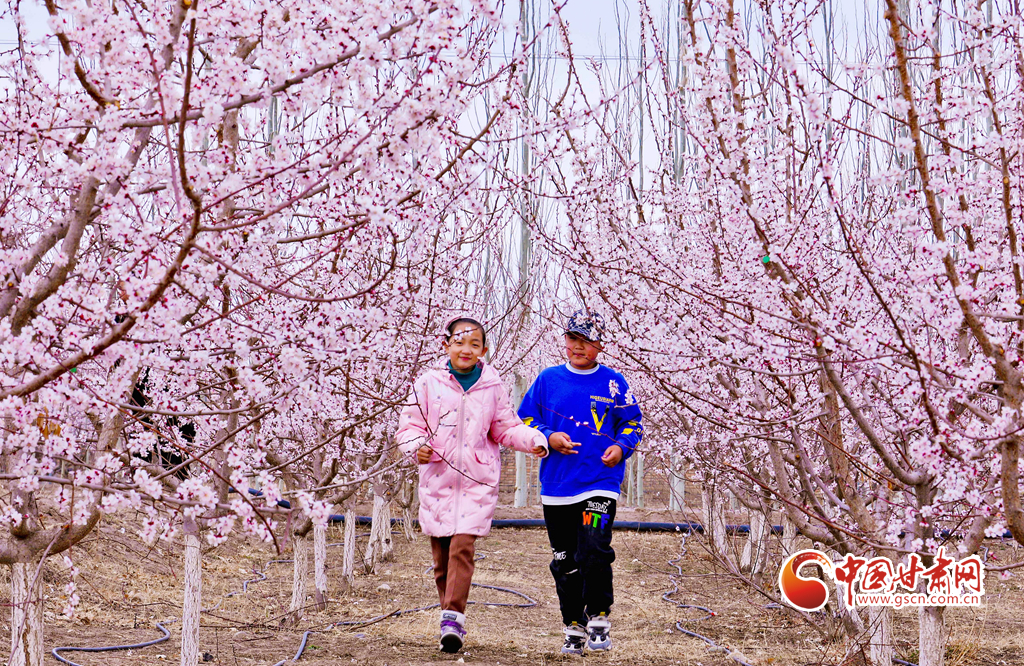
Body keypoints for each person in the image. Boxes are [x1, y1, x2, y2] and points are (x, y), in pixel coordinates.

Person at [396, 316, 548, 654]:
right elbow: (409, 427)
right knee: (442, 561)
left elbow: (506, 427)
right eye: (459, 342)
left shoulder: (492, 386)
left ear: (484, 350)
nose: (466, 349)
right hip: (438, 479)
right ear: (446, 345)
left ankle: (452, 620)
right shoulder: (428, 384)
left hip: (477, 481)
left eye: (474, 344)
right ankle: (449, 618)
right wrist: (416, 447)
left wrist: (533, 439)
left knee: (462, 548)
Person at [517, 309, 643, 655]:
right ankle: (573, 623)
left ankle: (599, 617)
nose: (578, 346)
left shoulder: (614, 382)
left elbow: (633, 423)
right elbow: (525, 418)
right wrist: (548, 436)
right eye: (573, 338)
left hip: (599, 483)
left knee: (594, 548)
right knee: (565, 559)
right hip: (557, 487)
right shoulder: (548, 380)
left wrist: (621, 447)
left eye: (587, 341)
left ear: (600, 345)